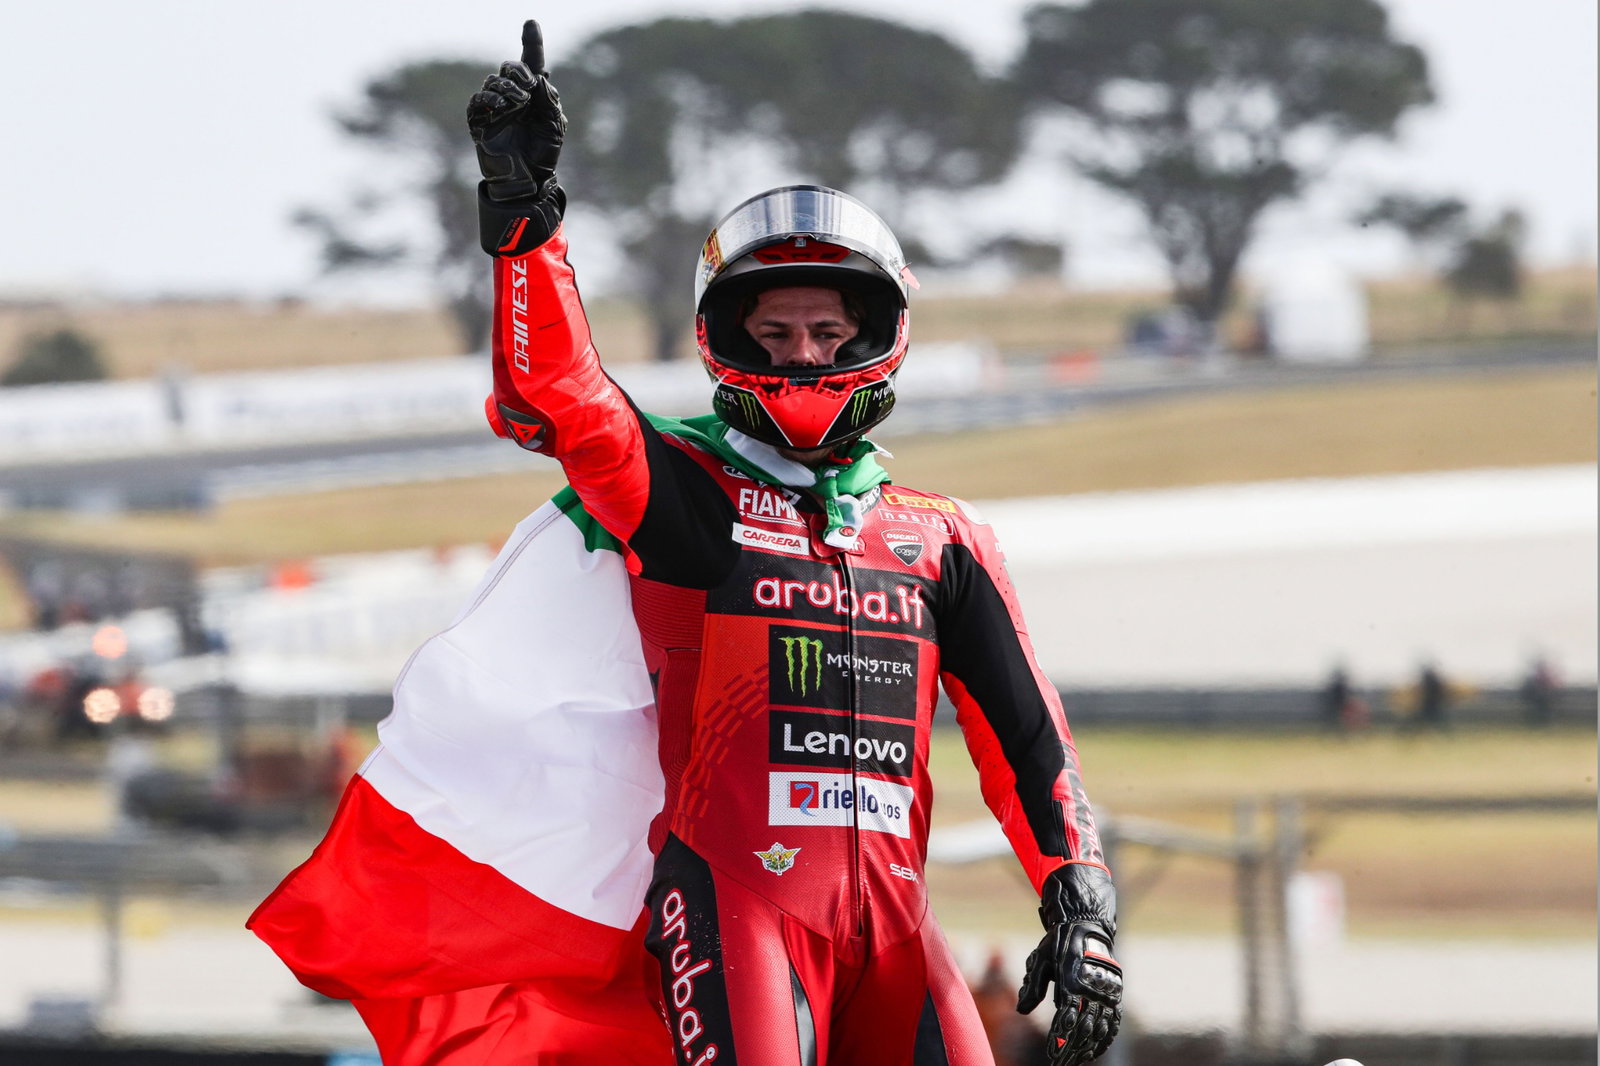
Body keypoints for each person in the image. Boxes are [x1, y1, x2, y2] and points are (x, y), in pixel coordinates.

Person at [467, 21, 1120, 1065]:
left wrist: (1079, 896)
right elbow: (560, 394)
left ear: (875, 337)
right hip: (736, 914)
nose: (803, 356)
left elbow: (1028, 737)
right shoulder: (682, 493)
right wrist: (523, 222)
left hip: (899, 934)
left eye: (826, 333)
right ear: (727, 338)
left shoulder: (941, 537)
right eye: (774, 334)